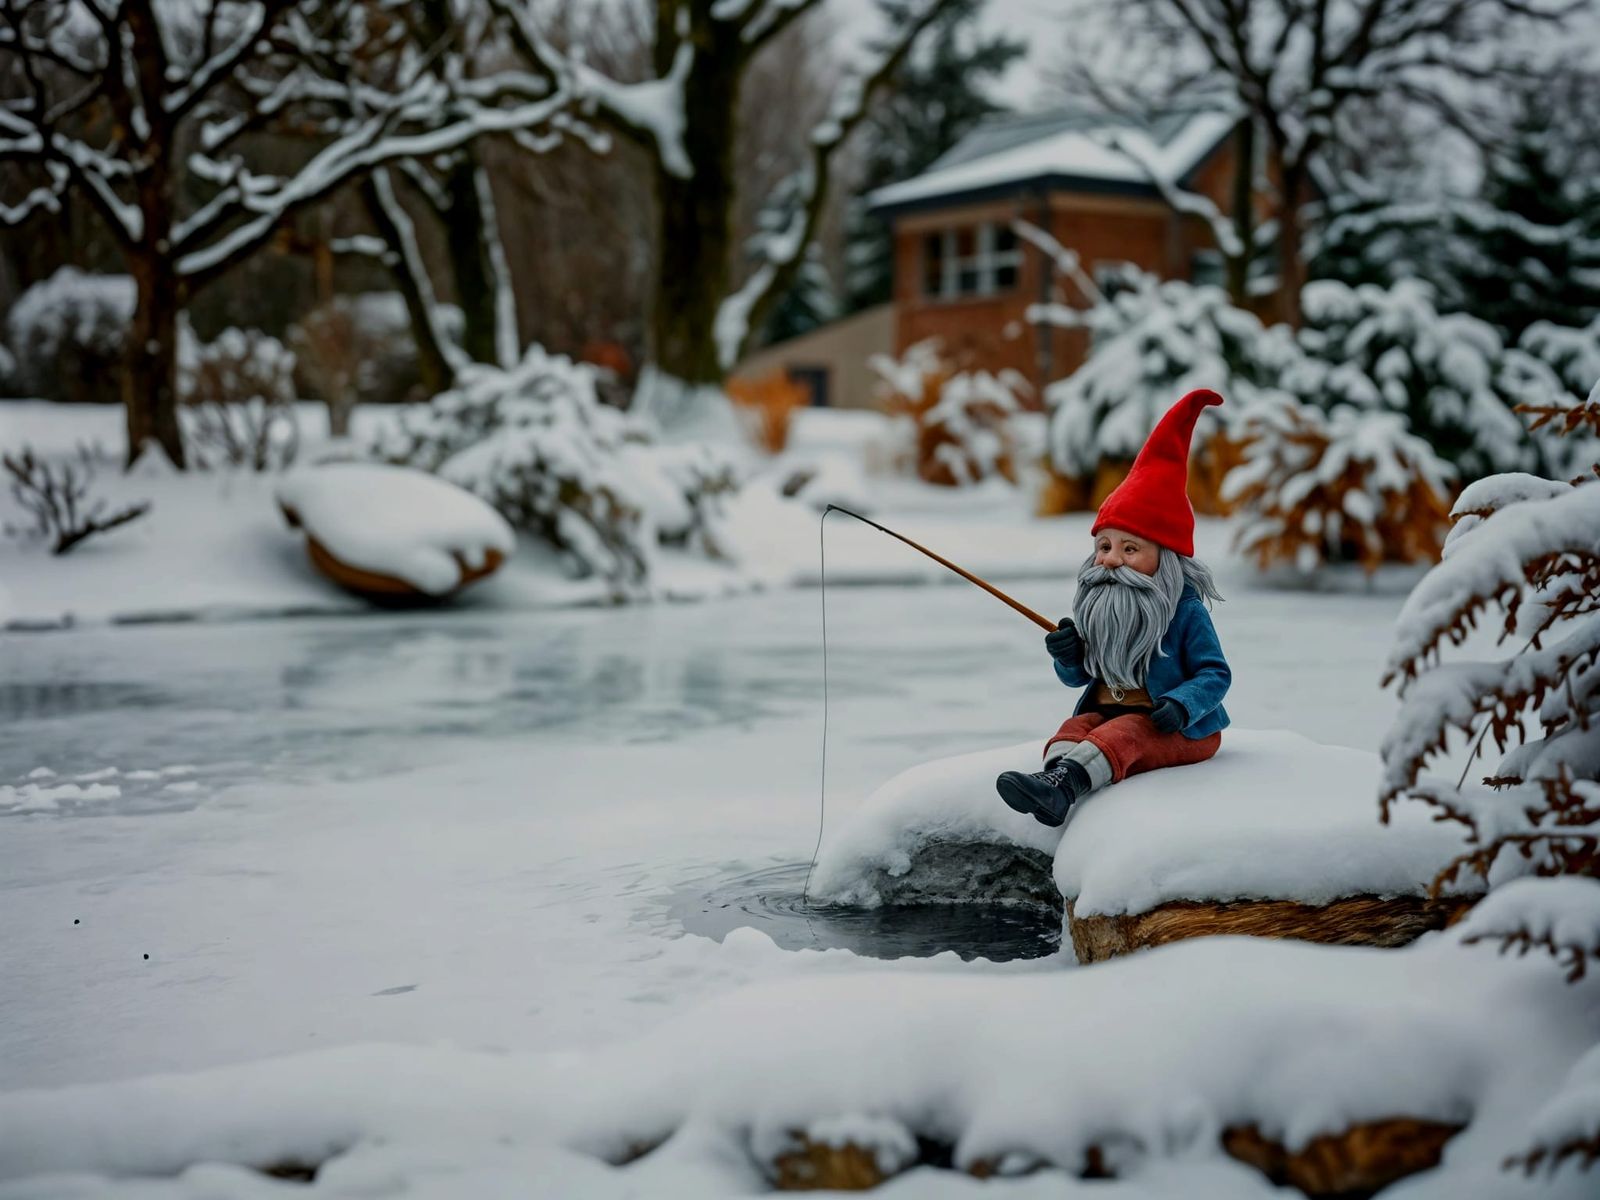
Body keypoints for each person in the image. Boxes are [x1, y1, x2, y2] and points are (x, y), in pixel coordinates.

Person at [997, 389, 1232, 827]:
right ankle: (1054, 781)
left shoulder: (1183, 612)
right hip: (1111, 710)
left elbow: (1216, 675)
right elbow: (1080, 678)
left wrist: (1182, 704)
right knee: (1078, 725)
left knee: (1125, 733)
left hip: (1178, 729)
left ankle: (1066, 786)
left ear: (1165, 558)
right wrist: (1068, 655)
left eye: (1129, 548)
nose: (1110, 560)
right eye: (1104, 546)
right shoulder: (1102, 607)